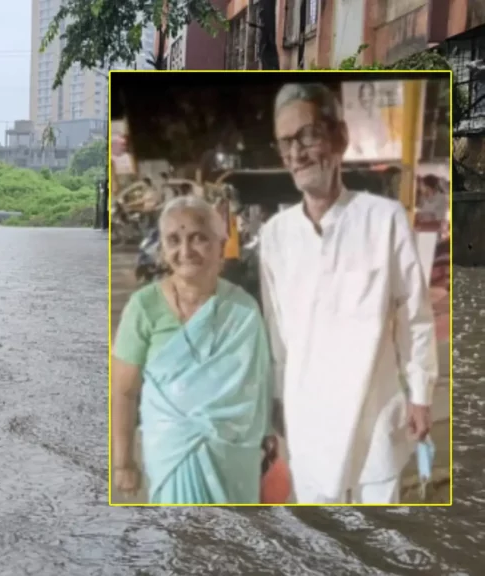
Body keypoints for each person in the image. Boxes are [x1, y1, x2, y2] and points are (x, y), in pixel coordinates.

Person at [260, 83, 438, 504]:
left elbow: (414, 316)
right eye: (287, 143)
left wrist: (420, 395)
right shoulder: (275, 236)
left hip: (374, 423)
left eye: (308, 135)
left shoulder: (384, 220)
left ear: (339, 137)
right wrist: (276, 409)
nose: (298, 153)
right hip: (308, 428)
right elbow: (277, 338)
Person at [111, 195, 274, 504]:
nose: (185, 251)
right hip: (170, 451)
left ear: (219, 243)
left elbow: (259, 384)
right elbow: (123, 392)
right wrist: (123, 463)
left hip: (233, 455)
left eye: (199, 239)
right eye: (174, 240)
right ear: (162, 248)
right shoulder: (143, 307)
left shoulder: (243, 310)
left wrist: (266, 435)